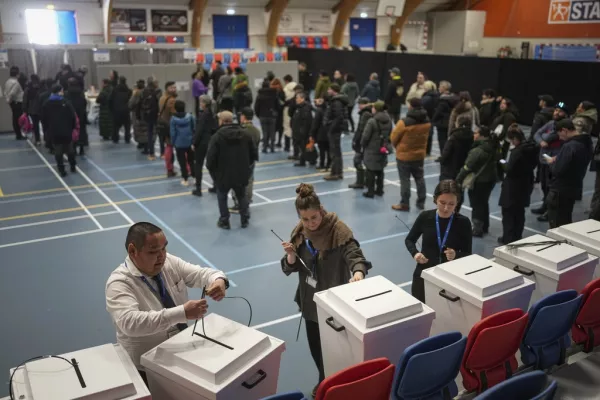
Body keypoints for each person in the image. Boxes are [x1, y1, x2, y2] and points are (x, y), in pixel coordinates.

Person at [105, 222, 229, 383]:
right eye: (153, 251)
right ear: (132, 251)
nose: (162, 256)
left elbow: (202, 274)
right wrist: (181, 313)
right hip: (145, 368)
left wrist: (218, 280)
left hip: (180, 353)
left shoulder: (168, 262)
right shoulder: (119, 283)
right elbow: (130, 323)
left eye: (164, 248)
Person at [281, 183, 371, 397]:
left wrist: (358, 272)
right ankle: (325, 380)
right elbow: (289, 267)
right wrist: (291, 256)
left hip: (334, 304)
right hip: (311, 303)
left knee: (332, 352)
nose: (310, 223)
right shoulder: (299, 233)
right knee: (316, 349)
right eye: (305, 219)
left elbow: (355, 255)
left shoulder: (338, 230)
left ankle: (326, 385)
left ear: (321, 210)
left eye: (314, 217)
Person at [405, 180, 472, 302]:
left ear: (457, 202)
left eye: (451, 204)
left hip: (450, 276)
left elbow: (468, 253)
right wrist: (415, 253)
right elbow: (409, 240)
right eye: (442, 202)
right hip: (424, 274)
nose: (446, 208)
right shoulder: (425, 217)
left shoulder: (463, 222)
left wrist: (456, 254)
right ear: (435, 199)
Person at [206, 111, 258, 229]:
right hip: (241, 173)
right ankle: (244, 218)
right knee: (241, 196)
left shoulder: (217, 136)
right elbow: (254, 154)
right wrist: (247, 170)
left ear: (222, 121)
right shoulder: (246, 134)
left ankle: (224, 220)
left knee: (222, 197)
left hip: (223, 175)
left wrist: (215, 175)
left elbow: (210, 160)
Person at [546, 119, 593, 228]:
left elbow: (557, 170)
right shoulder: (586, 143)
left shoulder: (569, 146)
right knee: (565, 221)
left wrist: (552, 162)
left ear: (564, 130)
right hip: (572, 188)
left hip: (560, 191)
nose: (560, 138)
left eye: (560, 135)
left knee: (556, 225)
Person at [498, 125, 538, 244]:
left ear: (515, 138)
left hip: (512, 188)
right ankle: (516, 237)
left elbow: (509, 169)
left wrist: (502, 163)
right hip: (525, 185)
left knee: (509, 215)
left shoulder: (517, 152)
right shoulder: (532, 149)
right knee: (520, 214)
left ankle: (508, 239)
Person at [456, 126, 498, 237]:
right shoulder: (494, 146)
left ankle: (477, 229)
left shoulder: (477, 150)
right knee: (484, 202)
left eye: (476, 133)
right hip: (490, 179)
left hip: (479, 181)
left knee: (477, 204)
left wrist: (458, 179)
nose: (474, 135)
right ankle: (485, 226)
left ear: (481, 135)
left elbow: (467, 167)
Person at [390, 98, 431, 212]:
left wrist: (398, 147)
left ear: (411, 107)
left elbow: (393, 138)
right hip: (419, 155)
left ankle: (404, 204)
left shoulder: (404, 122)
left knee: (405, 180)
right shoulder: (427, 121)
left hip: (404, 156)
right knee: (420, 178)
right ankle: (421, 202)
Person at [531, 102, 569, 221]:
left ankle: (549, 211)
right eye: (556, 110)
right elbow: (537, 133)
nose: (557, 113)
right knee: (543, 184)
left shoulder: (564, 127)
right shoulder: (551, 123)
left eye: (560, 111)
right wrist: (541, 141)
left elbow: (548, 137)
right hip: (543, 159)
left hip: (553, 161)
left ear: (565, 114)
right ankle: (544, 205)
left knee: (551, 187)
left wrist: (544, 138)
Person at [41, 85, 78, 176]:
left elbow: (43, 119)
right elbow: (73, 116)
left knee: (58, 151)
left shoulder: (46, 103)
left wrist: (46, 130)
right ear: (59, 92)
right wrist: (73, 128)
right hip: (66, 130)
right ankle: (72, 166)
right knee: (70, 150)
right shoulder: (66, 102)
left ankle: (61, 170)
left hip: (54, 130)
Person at [230, 107, 262, 212]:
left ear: (243, 117)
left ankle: (239, 203)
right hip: (251, 160)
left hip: (240, 160)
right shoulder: (256, 131)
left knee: (237, 182)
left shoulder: (240, 130)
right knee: (249, 181)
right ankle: (247, 200)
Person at [361, 101, 392, 198]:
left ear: (376, 109)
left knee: (370, 170)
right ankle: (379, 190)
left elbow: (365, 137)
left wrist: (363, 145)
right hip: (383, 148)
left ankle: (370, 192)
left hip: (371, 149)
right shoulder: (389, 120)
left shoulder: (372, 121)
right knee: (380, 170)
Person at [192, 95, 218, 197]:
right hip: (210, 142)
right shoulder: (212, 113)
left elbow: (199, 131)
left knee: (198, 165)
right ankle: (216, 185)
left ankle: (198, 189)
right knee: (211, 165)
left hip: (202, 143)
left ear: (203, 103)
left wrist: (194, 142)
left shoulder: (203, 115)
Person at [323, 83, 348, 181]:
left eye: (329, 89)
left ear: (334, 90)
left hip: (335, 131)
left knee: (335, 152)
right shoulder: (337, 100)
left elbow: (338, 117)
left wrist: (331, 127)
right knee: (335, 152)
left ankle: (336, 173)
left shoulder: (337, 102)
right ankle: (337, 172)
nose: (328, 91)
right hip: (335, 130)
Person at [439, 114, 474, 181]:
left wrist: (442, 160)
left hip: (451, 168)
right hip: (463, 167)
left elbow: (446, 152)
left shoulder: (454, 137)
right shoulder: (472, 136)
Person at [490, 97, 519, 177]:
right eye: (501, 103)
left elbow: (505, 130)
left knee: (501, 158)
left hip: (502, 142)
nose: (502, 105)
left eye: (504, 103)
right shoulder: (502, 113)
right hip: (500, 141)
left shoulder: (508, 116)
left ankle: (500, 175)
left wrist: (498, 139)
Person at [349, 98, 373, 189]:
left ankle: (360, 182)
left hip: (362, 142)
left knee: (357, 161)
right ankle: (366, 181)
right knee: (365, 162)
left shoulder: (365, 114)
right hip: (366, 142)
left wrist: (356, 140)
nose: (358, 106)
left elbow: (361, 129)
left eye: (360, 104)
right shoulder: (367, 113)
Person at [170, 100, 196, 187]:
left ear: (175, 109)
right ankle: (195, 178)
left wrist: (173, 142)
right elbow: (194, 128)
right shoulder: (190, 117)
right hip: (189, 143)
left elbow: (173, 133)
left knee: (182, 162)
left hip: (179, 144)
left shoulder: (173, 119)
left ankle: (185, 179)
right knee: (191, 161)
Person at [432, 81, 458, 160]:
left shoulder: (442, 100)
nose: (438, 88)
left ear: (444, 88)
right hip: (451, 123)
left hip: (442, 124)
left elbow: (438, 113)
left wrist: (433, 121)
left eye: (440, 86)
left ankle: (444, 156)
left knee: (442, 141)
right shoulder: (454, 99)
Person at [64, 78, 89, 156]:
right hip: (81, 113)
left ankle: (73, 148)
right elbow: (84, 102)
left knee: (72, 131)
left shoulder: (67, 93)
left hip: (71, 114)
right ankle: (81, 148)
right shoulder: (81, 92)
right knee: (82, 130)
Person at [158, 82, 178, 177]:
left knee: (168, 146)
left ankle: (169, 169)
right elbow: (175, 114)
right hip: (171, 126)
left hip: (163, 125)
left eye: (174, 87)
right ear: (167, 89)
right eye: (171, 88)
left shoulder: (162, 98)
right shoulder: (171, 100)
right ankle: (171, 169)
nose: (174, 89)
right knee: (173, 148)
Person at [254, 80, 279, 153]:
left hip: (262, 116)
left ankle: (265, 148)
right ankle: (272, 148)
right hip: (272, 115)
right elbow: (277, 105)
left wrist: (258, 115)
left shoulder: (259, 95)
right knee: (272, 132)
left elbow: (256, 107)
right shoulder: (274, 94)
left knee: (264, 132)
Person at [140, 77, 162, 158]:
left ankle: (151, 152)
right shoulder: (158, 91)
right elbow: (160, 102)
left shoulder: (144, 91)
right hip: (156, 114)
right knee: (160, 133)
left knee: (149, 133)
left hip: (147, 114)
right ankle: (162, 152)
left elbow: (141, 102)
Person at [291, 92, 314, 167]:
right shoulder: (299, 107)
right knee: (304, 147)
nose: (296, 99)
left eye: (298, 98)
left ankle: (304, 161)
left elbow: (306, 121)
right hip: (298, 131)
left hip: (302, 132)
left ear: (302, 98)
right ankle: (311, 160)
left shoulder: (305, 108)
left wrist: (302, 131)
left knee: (304, 146)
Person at [4, 66, 25, 140]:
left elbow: (6, 92)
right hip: (17, 102)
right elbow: (12, 93)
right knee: (18, 119)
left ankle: (18, 134)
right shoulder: (16, 83)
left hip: (12, 103)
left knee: (15, 119)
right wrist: (9, 99)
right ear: (17, 74)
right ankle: (19, 135)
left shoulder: (7, 82)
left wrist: (8, 100)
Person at [111, 76, 133, 144]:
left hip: (117, 110)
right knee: (127, 126)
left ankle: (115, 138)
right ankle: (127, 138)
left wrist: (112, 109)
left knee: (116, 126)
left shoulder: (114, 90)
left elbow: (110, 100)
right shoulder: (129, 90)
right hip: (126, 110)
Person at [312, 97, 330, 172]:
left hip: (321, 133)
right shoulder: (329, 109)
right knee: (328, 150)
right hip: (329, 133)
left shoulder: (318, 111)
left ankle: (322, 164)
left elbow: (315, 124)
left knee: (322, 150)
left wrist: (312, 134)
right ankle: (329, 164)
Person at [421, 81, 439, 156]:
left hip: (426, 117)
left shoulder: (426, 97)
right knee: (430, 134)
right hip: (433, 117)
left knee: (424, 135)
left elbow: (422, 107)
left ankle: (424, 150)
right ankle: (428, 150)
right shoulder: (437, 95)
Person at [23, 74, 42, 145]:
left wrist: (24, 109)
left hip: (32, 108)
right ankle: (48, 140)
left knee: (35, 124)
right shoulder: (41, 86)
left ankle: (37, 140)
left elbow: (25, 99)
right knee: (45, 124)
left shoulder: (28, 87)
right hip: (41, 108)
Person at [129, 79, 148, 152]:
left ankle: (141, 143)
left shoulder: (136, 94)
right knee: (146, 129)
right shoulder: (148, 92)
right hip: (147, 114)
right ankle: (147, 145)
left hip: (137, 114)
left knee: (138, 129)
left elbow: (130, 104)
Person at [283, 75, 297, 156]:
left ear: (286, 81)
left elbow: (283, 99)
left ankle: (287, 146)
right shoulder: (297, 86)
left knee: (287, 127)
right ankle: (296, 148)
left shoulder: (285, 89)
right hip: (296, 108)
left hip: (287, 109)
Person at [271, 78, 286, 148]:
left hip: (275, 112)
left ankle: (273, 142)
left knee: (274, 128)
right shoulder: (282, 91)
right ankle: (279, 141)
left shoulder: (273, 92)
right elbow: (283, 102)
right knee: (280, 128)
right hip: (281, 112)